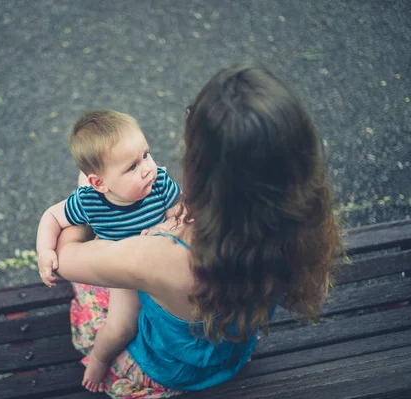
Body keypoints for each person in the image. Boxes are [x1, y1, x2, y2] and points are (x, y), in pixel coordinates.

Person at [50, 64, 343, 397]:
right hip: (229, 354)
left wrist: (85, 199)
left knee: (103, 294)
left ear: (200, 166)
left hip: (167, 368)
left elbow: (61, 259)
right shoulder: (298, 223)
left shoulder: (158, 255)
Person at [36, 109, 181, 391]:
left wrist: (168, 228)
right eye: (131, 167)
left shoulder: (159, 182)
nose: (148, 167)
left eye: (146, 155)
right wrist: (45, 252)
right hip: (122, 270)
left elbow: (181, 212)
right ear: (99, 183)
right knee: (121, 326)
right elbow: (52, 217)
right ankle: (100, 359)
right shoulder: (90, 202)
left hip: (161, 262)